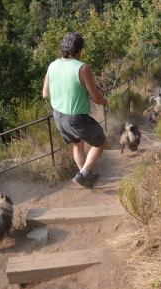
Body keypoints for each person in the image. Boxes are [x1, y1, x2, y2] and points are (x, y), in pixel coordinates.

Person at [42, 32, 108, 189]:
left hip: (58, 116)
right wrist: (106, 101)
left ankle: (85, 176)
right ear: (79, 50)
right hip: (76, 118)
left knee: (77, 145)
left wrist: (62, 101)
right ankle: (84, 173)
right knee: (101, 142)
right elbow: (96, 98)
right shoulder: (83, 68)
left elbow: (45, 94)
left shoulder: (52, 65)